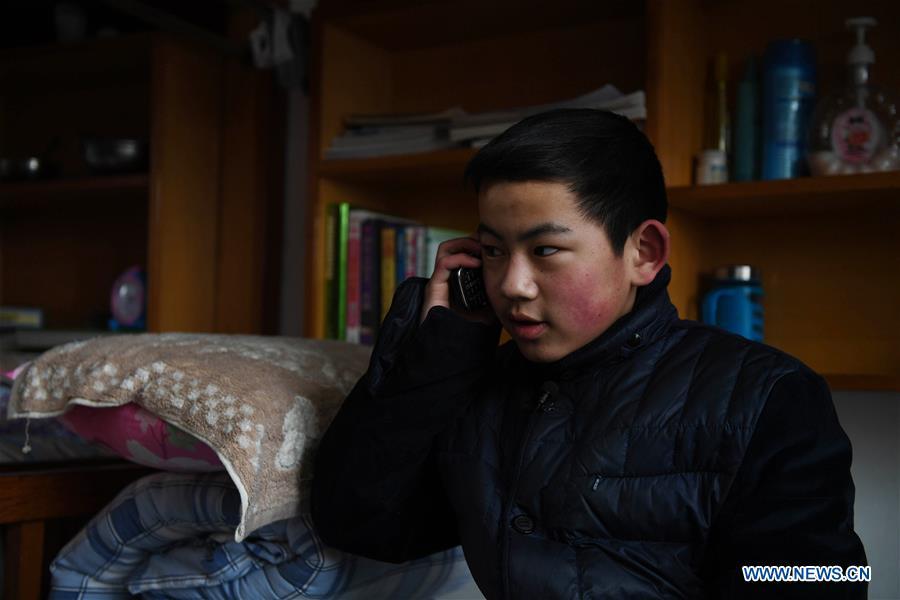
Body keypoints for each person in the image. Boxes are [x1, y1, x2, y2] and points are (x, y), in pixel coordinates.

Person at [311, 109, 867, 598]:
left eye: (545, 249)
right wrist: (441, 346)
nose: (512, 285)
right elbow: (362, 524)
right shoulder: (476, 385)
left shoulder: (769, 398)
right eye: (493, 251)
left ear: (643, 252)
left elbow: (818, 580)